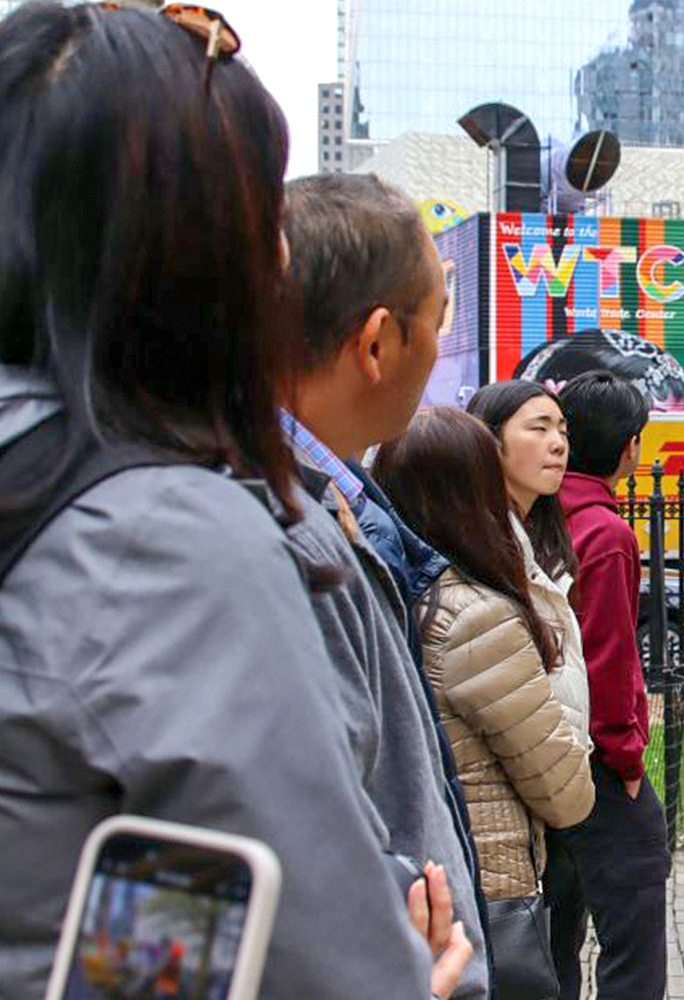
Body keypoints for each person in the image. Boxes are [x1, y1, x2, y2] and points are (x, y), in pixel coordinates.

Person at [0, 4, 457, 998]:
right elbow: (319, 959)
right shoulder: (169, 543)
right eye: (261, 215)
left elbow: (130, 908)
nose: (283, 262)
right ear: (191, 249)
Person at [279, 172, 490, 1000]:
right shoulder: (284, 532)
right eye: (439, 318)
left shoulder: (334, 500)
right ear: (377, 345)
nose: (440, 347)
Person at [374, 408, 595, 901]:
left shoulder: (384, 590)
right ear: (480, 493)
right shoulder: (477, 618)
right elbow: (566, 794)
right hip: (486, 885)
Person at [552, 371, 670, 1000]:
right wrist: (626, 758)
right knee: (634, 929)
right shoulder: (605, 532)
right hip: (597, 760)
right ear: (629, 448)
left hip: (541, 749)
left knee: (557, 926)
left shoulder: (541, 512)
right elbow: (609, 656)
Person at [466, 379, 593, 747]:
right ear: (489, 441)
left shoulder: (544, 544)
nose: (558, 444)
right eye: (539, 428)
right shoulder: (477, 548)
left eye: (563, 431)